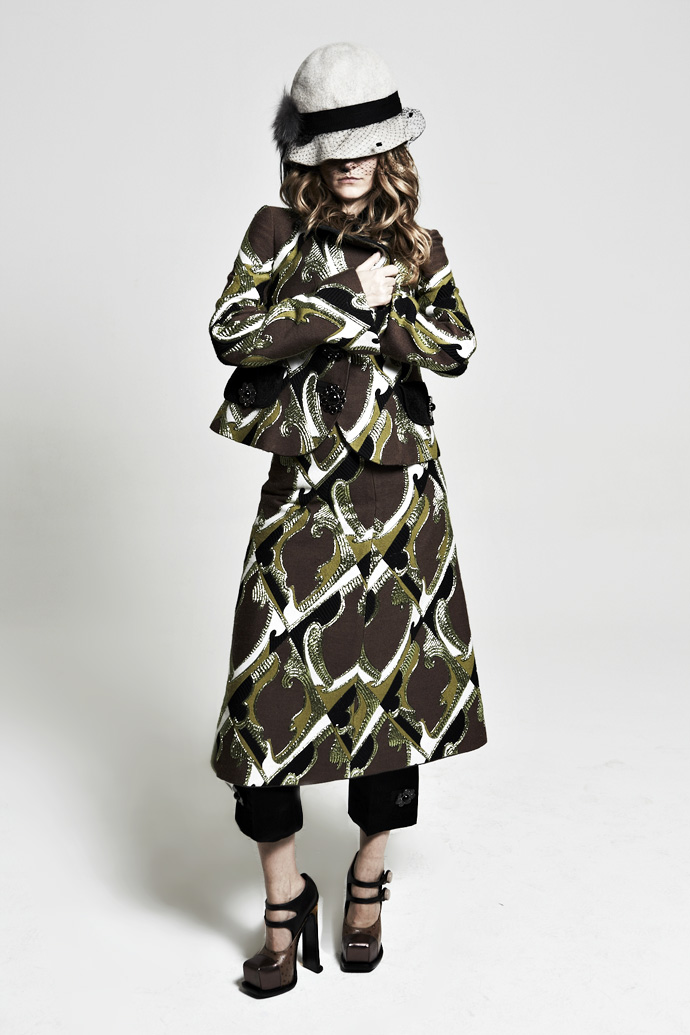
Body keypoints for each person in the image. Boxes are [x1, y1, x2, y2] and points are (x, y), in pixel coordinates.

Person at [207, 41, 488, 998]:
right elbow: (232, 332)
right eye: (335, 146)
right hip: (304, 499)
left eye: (368, 144)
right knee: (266, 713)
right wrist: (338, 298)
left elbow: (458, 345)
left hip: (402, 504)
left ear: (391, 149)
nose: (353, 162)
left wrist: (391, 310)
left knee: (393, 705)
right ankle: (283, 904)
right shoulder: (275, 233)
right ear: (308, 154)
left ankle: (367, 882)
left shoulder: (420, 246)